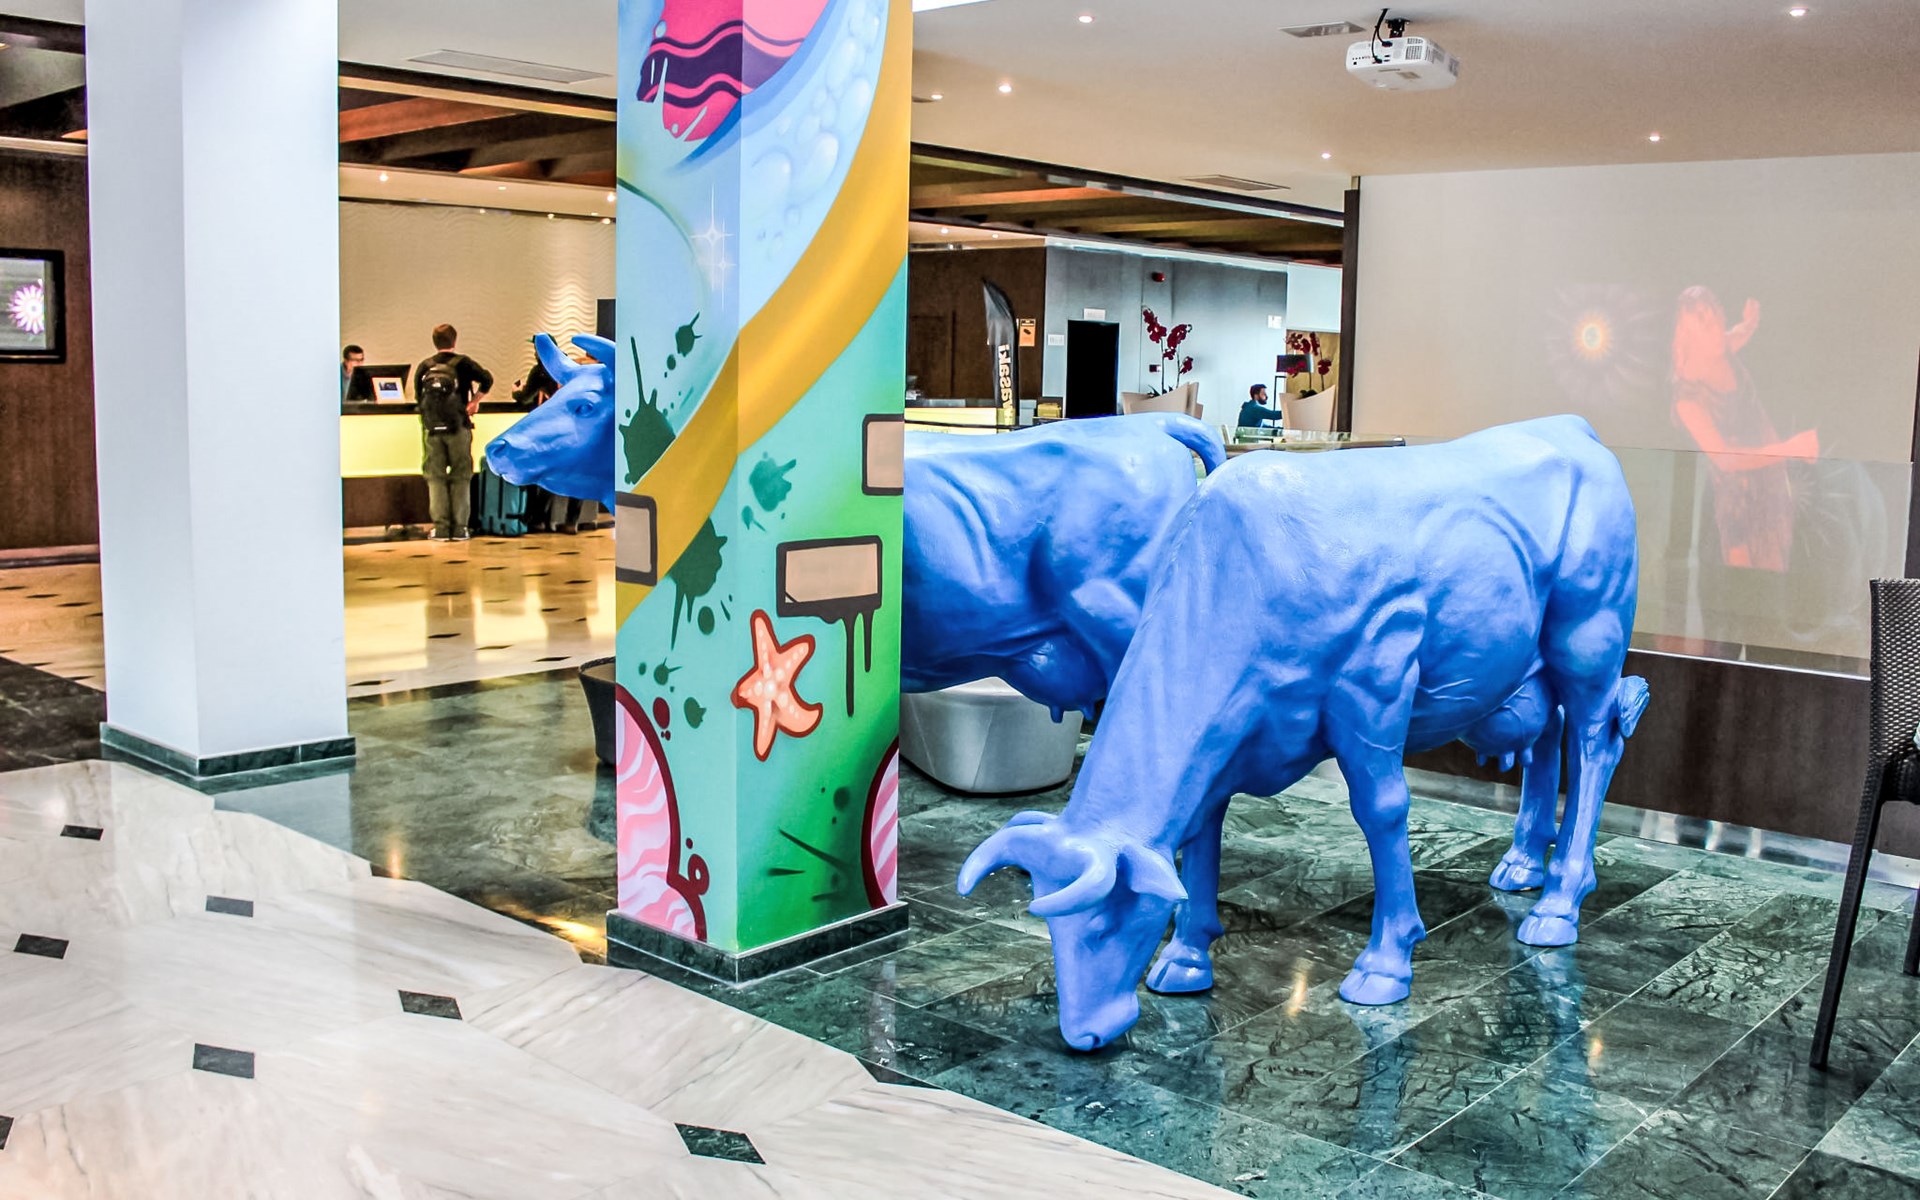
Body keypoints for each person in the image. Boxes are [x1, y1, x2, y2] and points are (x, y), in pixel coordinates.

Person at [413, 324, 493, 541]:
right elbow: (487, 379)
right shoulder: (463, 363)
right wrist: (474, 402)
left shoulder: (424, 366)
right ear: (454, 340)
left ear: (434, 342)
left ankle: (440, 528)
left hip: (432, 430)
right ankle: (460, 529)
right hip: (459, 427)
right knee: (461, 476)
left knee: (435, 478)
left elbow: (418, 399)